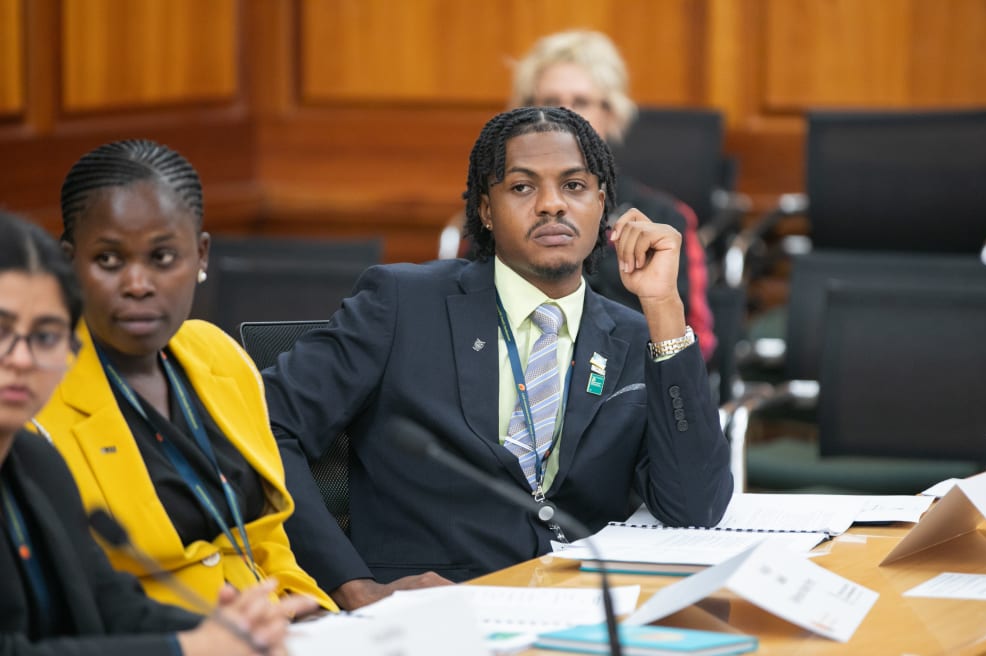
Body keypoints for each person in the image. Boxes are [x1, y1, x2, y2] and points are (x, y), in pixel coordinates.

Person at [264, 107, 733, 610]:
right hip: (431, 618)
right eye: (523, 188)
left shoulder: (635, 336)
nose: (552, 205)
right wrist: (351, 586)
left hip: (578, 615)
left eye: (574, 186)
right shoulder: (400, 303)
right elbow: (261, 424)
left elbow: (694, 507)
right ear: (486, 209)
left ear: (602, 204)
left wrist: (664, 310)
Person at [33, 140, 336, 613]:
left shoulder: (219, 356)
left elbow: (267, 539)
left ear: (200, 256)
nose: (138, 284)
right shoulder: (32, 398)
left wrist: (306, 607)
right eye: (109, 260)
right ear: (69, 264)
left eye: (163, 257)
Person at [0, 210, 315, 654]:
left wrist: (227, 632)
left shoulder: (36, 463)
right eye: (2, 331)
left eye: (46, 336)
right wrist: (185, 648)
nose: (22, 358)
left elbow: (109, 604)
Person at [510, 30, 717, 361]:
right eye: (549, 102)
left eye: (581, 102)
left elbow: (696, 344)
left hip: (631, 392)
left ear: (611, 113)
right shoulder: (498, 211)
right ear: (523, 114)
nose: (565, 115)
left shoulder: (663, 219)